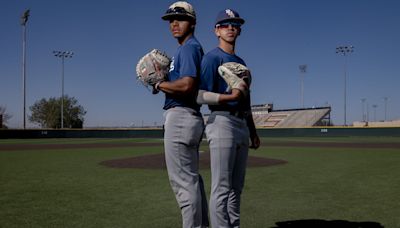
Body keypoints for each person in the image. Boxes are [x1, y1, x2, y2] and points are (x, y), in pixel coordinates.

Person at [199, 9, 260, 228]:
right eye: (225, 24)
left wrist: (253, 130)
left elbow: (246, 99)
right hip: (222, 121)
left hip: (242, 123)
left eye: (234, 24)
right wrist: (227, 97)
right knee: (222, 188)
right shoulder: (211, 58)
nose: (231, 28)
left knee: (236, 188)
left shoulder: (241, 62)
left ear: (240, 30)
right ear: (217, 30)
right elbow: (197, 94)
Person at [156, 1, 208, 228]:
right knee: (192, 180)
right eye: (170, 20)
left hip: (181, 117)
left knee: (184, 185)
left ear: (193, 22)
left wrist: (159, 83)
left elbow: (187, 85)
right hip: (189, 117)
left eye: (180, 19)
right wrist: (164, 82)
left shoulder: (188, 48)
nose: (174, 24)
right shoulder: (190, 48)